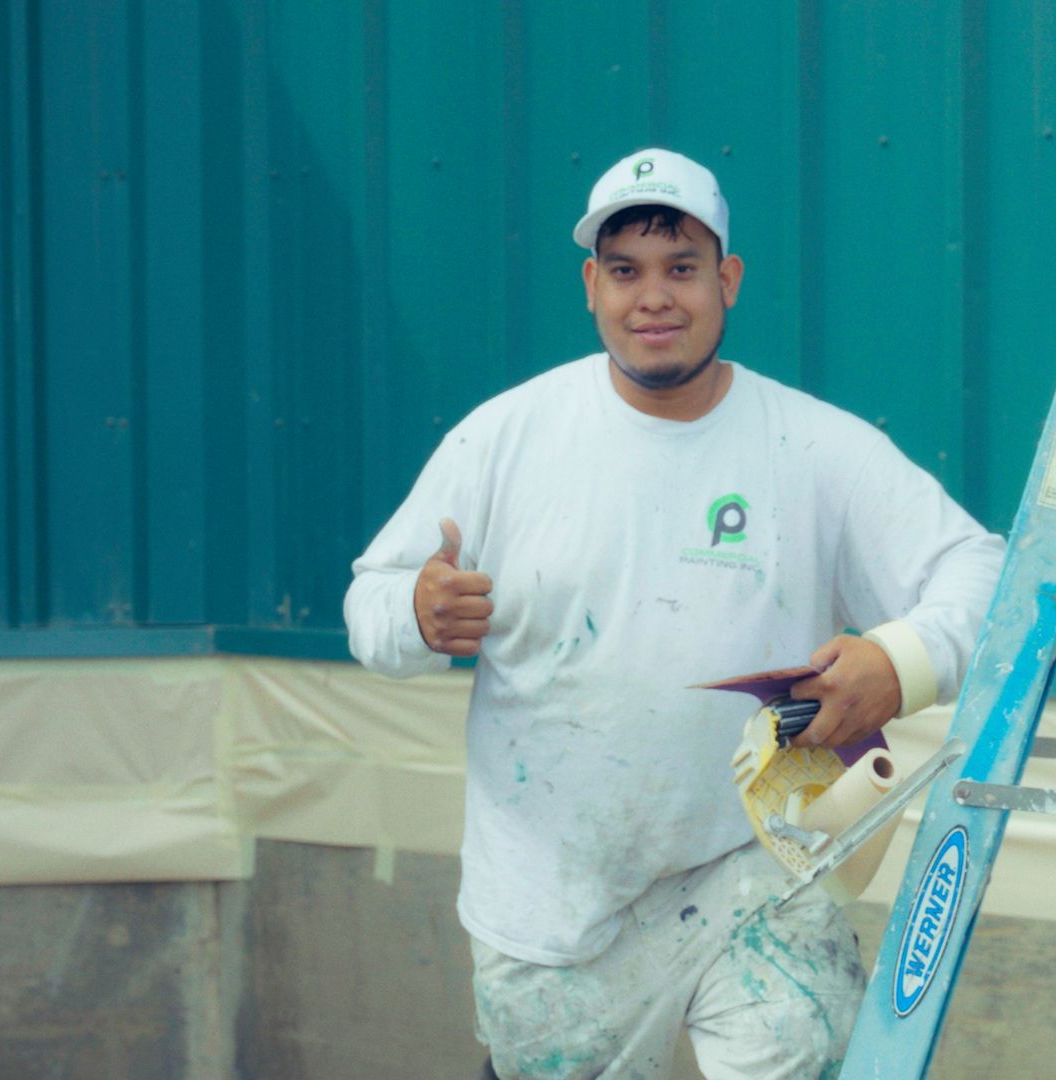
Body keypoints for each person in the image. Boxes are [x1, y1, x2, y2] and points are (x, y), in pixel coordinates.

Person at [345, 147, 1002, 1079]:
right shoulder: (504, 438)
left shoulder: (810, 447)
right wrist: (413, 612)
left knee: (803, 1052)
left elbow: (982, 569)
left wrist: (901, 663)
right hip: (554, 910)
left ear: (727, 280)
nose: (653, 296)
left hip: (758, 881)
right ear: (591, 286)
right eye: (626, 271)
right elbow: (371, 602)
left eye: (682, 268)